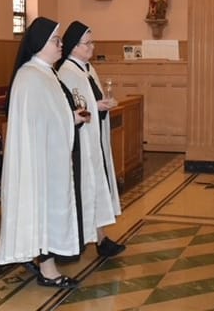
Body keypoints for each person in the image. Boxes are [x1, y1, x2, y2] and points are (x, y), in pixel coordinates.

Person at [0, 17, 88, 289]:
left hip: (51, 157)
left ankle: (47, 263)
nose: (61, 45)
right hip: (39, 162)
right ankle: (47, 269)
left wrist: (70, 117)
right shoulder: (30, 76)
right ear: (39, 44)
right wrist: (67, 120)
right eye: (56, 41)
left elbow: (48, 116)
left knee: (50, 210)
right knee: (43, 210)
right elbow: (35, 123)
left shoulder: (47, 73)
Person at [57, 21, 125, 259]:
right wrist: (96, 107)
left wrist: (102, 105)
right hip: (81, 142)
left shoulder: (87, 68)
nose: (92, 47)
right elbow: (72, 107)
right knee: (86, 186)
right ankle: (87, 238)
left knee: (97, 184)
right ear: (74, 47)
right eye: (88, 43)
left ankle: (101, 236)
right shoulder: (67, 72)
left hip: (94, 138)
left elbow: (91, 100)